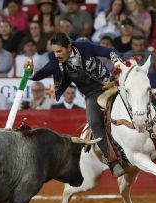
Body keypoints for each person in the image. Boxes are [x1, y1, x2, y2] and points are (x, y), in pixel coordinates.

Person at [28, 32, 125, 177]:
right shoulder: (55, 61)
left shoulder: (84, 47)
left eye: (59, 51)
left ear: (69, 47)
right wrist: (30, 72)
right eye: (54, 51)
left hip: (111, 86)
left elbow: (109, 52)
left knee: (137, 97)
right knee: (94, 124)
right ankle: (113, 162)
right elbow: (41, 73)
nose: (56, 55)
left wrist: (117, 62)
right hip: (92, 95)